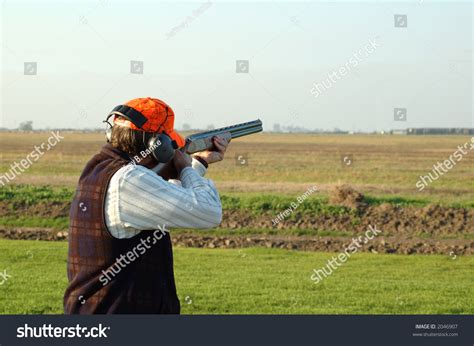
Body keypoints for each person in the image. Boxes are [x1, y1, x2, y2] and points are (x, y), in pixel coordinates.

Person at [64, 97, 229, 314]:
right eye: (169, 145)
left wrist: (200, 162)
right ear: (157, 145)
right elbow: (209, 212)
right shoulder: (129, 179)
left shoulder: (102, 169)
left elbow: (165, 199)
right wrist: (185, 168)